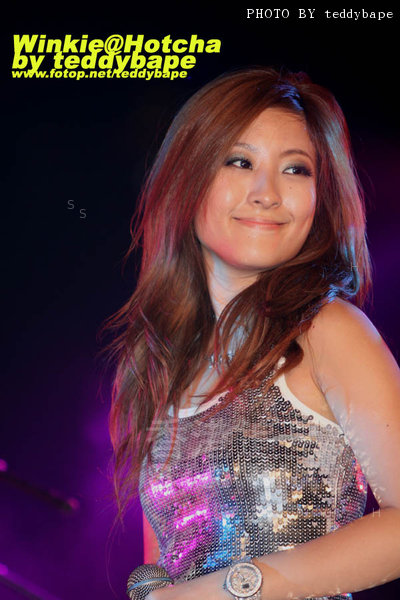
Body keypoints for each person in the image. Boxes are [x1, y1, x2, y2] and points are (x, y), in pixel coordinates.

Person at [102, 67, 400, 600]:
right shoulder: (153, 369)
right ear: (187, 180)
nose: (267, 193)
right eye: (240, 162)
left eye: (295, 169)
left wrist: (238, 586)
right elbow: (163, 568)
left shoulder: (326, 331)